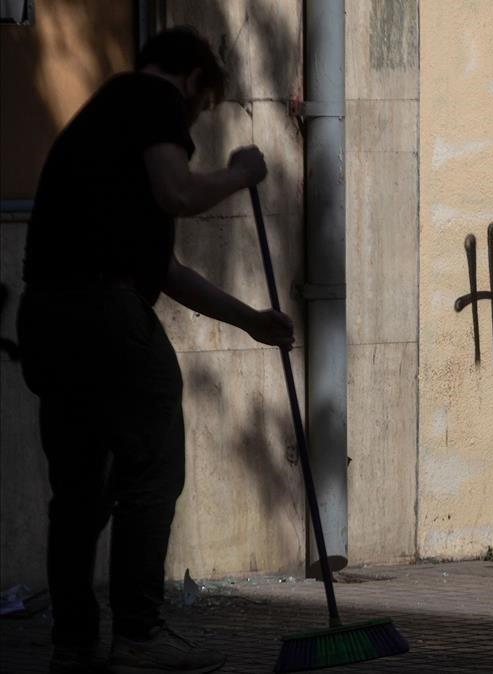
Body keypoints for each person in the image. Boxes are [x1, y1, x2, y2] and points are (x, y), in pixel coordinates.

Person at [17, 26, 294, 674]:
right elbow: (179, 193)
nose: (192, 121)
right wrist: (238, 172)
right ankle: (139, 633)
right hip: (102, 314)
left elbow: (161, 269)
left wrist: (250, 319)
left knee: (80, 488)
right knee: (154, 465)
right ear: (195, 80)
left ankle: (75, 643)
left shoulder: (108, 126)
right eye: (202, 108)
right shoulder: (153, 97)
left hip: (50, 313)